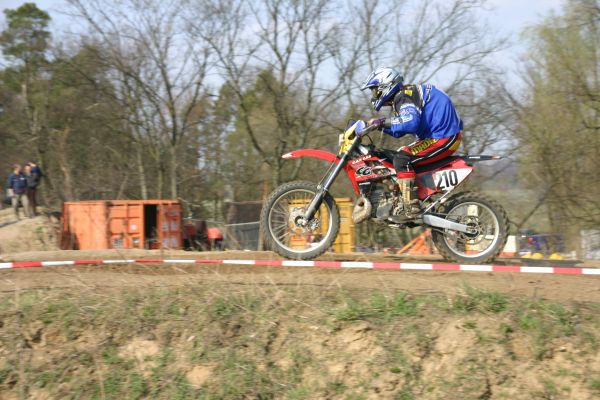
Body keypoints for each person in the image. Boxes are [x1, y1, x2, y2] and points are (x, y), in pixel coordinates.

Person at [359, 66, 463, 217]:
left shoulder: (403, 96)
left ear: (385, 86)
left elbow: (410, 122)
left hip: (443, 137)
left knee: (402, 159)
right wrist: (379, 126)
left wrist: (382, 122)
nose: (374, 95)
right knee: (393, 156)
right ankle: (403, 199)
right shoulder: (404, 96)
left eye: (375, 90)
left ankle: (412, 207)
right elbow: (400, 130)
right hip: (437, 136)